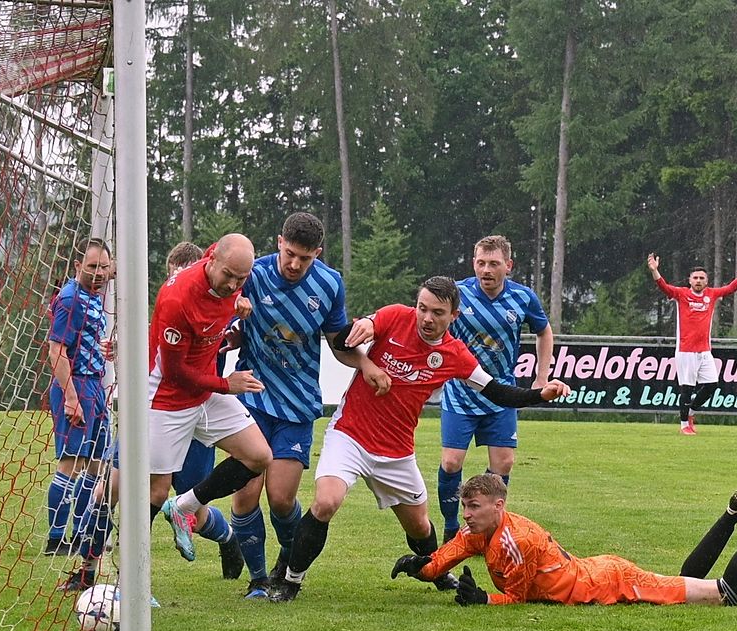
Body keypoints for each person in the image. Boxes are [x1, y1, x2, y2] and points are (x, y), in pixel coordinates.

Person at [265, 276, 573, 602]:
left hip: (397, 452)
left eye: (437, 312)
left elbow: (498, 392)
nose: (426, 318)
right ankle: (290, 581)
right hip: (350, 436)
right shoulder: (396, 316)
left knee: (420, 528)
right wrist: (366, 330)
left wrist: (540, 394)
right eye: (422, 308)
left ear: (454, 316)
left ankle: (438, 572)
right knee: (326, 502)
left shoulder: (455, 354)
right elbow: (353, 334)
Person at [57, 240, 245, 591]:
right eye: (172, 277)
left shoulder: (227, 304)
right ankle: (88, 570)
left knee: (192, 509)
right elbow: (157, 345)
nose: (179, 285)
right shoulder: (172, 305)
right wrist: (127, 345)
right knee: (108, 492)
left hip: (199, 415)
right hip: (156, 411)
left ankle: (227, 537)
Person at [221, 212, 383, 599]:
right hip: (253, 396)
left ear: (318, 254)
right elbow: (220, 321)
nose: (295, 264)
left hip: (297, 403)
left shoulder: (329, 284)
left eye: (304, 258)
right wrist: (232, 319)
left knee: (281, 498)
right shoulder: (253, 276)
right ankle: (258, 580)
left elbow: (337, 342)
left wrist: (365, 362)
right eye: (290, 254)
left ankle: (288, 562)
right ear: (279, 242)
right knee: (244, 495)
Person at [392, 474, 737, 607]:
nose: (465, 516)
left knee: (725, 596)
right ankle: (733, 513)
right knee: (685, 583)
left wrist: (483, 601)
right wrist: (423, 567)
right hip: (600, 570)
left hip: (610, 584)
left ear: (498, 506)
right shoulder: (484, 531)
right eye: (464, 507)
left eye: (473, 508)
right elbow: (448, 554)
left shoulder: (517, 539)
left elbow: (520, 598)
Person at [148, 233, 273, 564]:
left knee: (259, 455)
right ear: (211, 258)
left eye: (241, 279)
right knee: (155, 493)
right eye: (228, 276)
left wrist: (240, 300)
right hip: (166, 398)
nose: (232, 285)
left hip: (204, 393)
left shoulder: (232, 280)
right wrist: (225, 384)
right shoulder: (178, 299)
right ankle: (133, 585)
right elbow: (175, 372)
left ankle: (184, 507)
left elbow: (234, 290)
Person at [438, 235, 553, 542]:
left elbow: (544, 332)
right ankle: (452, 529)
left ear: (508, 266)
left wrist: (541, 378)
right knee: (451, 462)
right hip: (461, 392)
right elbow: (432, 324)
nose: (486, 270)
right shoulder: (458, 294)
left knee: (503, 463)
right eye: (480, 263)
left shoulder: (523, 297)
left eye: (493, 263)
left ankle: (488, 529)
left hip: (501, 394)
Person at [44, 237, 113, 556]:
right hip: (77, 387)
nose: (98, 272)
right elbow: (56, 350)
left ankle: (82, 532)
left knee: (98, 464)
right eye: (92, 266)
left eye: (103, 267)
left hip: (96, 386)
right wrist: (70, 397)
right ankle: (56, 539)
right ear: (76, 267)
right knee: (72, 463)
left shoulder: (94, 293)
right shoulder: (70, 299)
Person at [647, 253, 737, 435]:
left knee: (712, 385)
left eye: (701, 278)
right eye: (695, 278)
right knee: (687, 389)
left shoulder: (711, 295)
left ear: (707, 281)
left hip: (704, 351)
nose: (698, 281)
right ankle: (684, 426)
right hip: (685, 350)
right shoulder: (681, 294)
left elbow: (730, 288)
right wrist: (655, 271)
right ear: (689, 280)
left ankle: (691, 412)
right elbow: (664, 287)